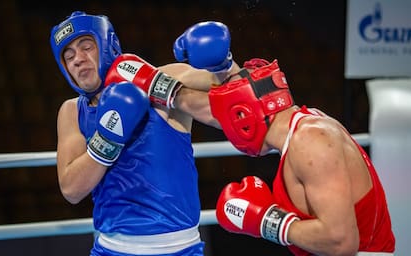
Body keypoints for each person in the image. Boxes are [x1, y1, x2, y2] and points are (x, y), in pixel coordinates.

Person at [49, 11, 236, 256]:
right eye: (69, 55)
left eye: (86, 47)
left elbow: (239, 96)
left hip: (180, 248)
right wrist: (108, 137)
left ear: (108, 46)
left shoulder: (163, 78)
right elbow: (72, 190)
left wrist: (223, 63)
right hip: (111, 249)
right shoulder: (71, 111)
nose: (77, 59)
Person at [187, 55, 395, 255]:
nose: (226, 125)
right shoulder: (306, 126)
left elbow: (340, 241)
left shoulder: (310, 140)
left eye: (234, 116)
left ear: (246, 114)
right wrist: (162, 87)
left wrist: (267, 221)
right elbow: (216, 111)